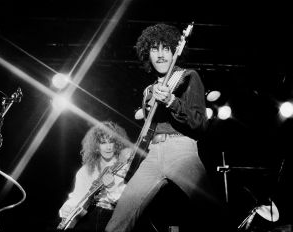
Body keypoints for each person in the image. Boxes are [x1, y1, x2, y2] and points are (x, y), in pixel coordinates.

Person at [105, 23, 229, 232]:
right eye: (154, 49)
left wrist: (172, 101)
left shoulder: (188, 76)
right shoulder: (147, 91)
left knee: (213, 215)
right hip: (151, 155)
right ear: (148, 54)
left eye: (166, 49)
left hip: (181, 150)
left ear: (175, 52)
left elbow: (200, 124)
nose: (160, 55)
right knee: (117, 222)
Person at [58, 121, 131, 232]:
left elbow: (128, 202)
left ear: (116, 144)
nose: (108, 147)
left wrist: (111, 187)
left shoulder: (124, 166)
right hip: (86, 217)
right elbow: (77, 197)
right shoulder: (86, 170)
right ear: (96, 146)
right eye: (103, 142)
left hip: (112, 217)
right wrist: (66, 209)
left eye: (111, 142)